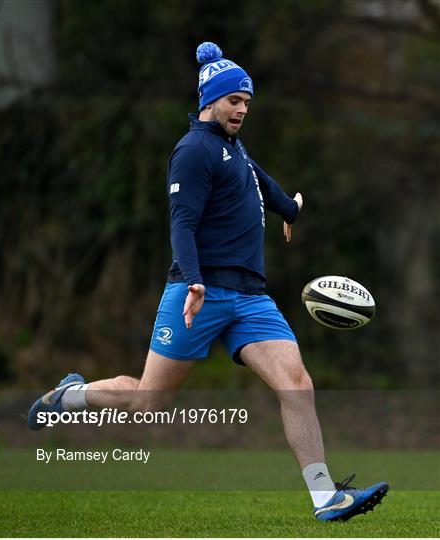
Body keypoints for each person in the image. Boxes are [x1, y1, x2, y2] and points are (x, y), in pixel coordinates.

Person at [28, 41, 388, 522]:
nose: (242, 109)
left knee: (297, 384)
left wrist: (292, 210)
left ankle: (326, 496)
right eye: (235, 100)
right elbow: (182, 222)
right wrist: (194, 281)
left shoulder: (233, 150)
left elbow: (264, 185)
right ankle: (68, 395)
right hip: (195, 293)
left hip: (251, 298)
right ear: (210, 100)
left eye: (247, 102)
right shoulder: (194, 150)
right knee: (149, 403)